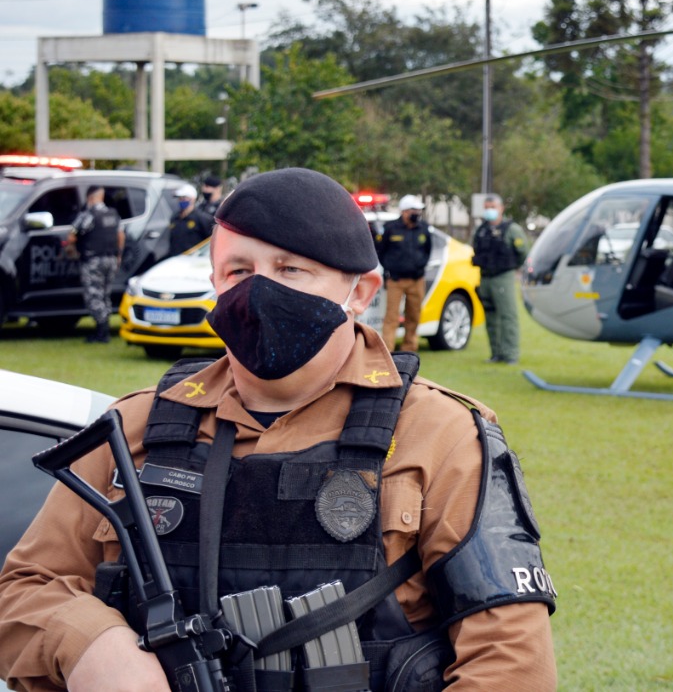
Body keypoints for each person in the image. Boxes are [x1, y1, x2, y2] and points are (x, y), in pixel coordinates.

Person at [0, 169, 557, 692]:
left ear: (360, 292)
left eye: (291, 269)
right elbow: (25, 590)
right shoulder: (136, 429)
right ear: (216, 281)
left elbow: (508, 656)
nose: (259, 291)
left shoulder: (441, 434)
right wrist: (92, 644)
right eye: (239, 271)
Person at [471, 194, 528, 364]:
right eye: (487, 207)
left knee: (508, 316)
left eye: (493, 207)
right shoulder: (480, 230)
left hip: (503, 277)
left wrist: (512, 268)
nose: (489, 210)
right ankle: (496, 353)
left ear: (501, 208)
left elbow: (523, 252)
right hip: (485, 277)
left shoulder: (511, 229)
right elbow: (475, 249)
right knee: (491, 317)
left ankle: (510, 354)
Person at [66, 185, 124, 344]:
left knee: (93, 295)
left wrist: (71, 249)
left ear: (90, 197)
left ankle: (102, 331)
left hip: (93, 260)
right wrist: (119, 255)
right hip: (111, 259)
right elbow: (121, 235)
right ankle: (105, 328)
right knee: (105, 294)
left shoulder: (88, 215)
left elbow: (72, 236)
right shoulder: (113, 214)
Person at [375, 194, 433, 351]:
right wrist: (390, 268)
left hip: (416, 279)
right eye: (414, 210)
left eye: (418, 210)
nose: (417, 213)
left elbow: (428, 250)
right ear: (404, 211)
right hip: (396, 279)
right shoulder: (391, 228)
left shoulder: (423, 228)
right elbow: (381, 251)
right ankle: (388, 350)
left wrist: (420, 266)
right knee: (391, 317)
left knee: (414, 316)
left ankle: (409, 349)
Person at [166, 183, 213, 257]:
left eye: (184, 198)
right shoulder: (175, 217)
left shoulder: (202, 218)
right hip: (175, 258)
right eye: (180, 198)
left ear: (193, 199)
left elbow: (210, 241)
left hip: (192, 260)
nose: (181, 200)